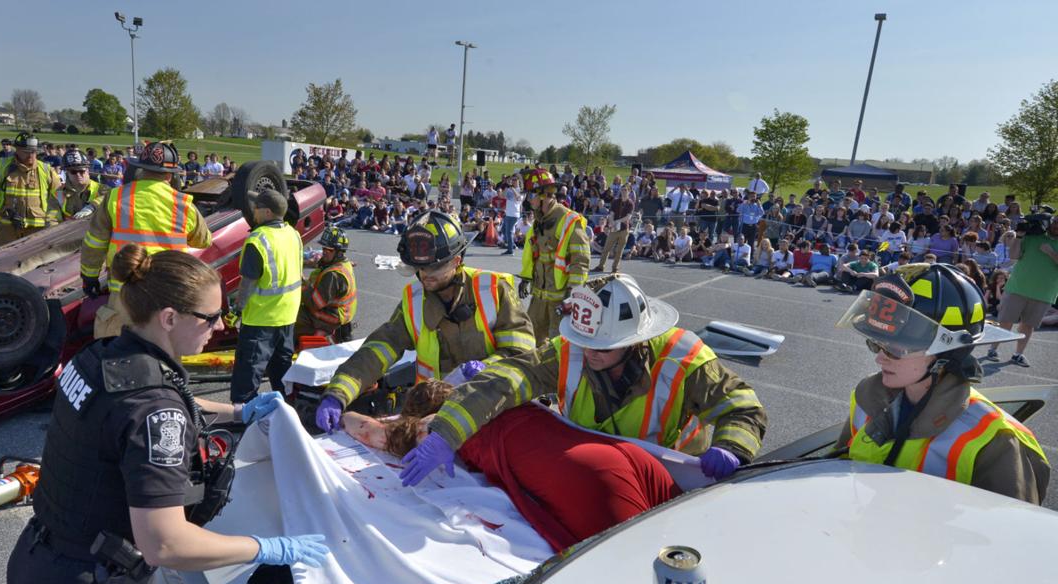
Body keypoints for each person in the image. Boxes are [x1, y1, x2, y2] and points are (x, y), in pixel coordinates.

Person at [7, 244, 329, 584]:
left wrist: (238, 412)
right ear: (170, 317)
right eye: (212, 316)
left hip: (44, 561)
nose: (222, 327)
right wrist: (266, 548)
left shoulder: (101, 357)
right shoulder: (154, 411)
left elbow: (144, 409)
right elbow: (164, 544)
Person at [398, 273, 768, 486]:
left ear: (635, 341)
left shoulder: (684, 358)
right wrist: (446, 433)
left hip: (669, 482)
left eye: (603, 346)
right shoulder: (569, 349)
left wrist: (732, 447)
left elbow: (742, 408)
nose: (589, 353)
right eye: (584, 342)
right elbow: (508, 379)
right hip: (589, 471)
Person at [344, 379, 682, 551]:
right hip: (626, 457)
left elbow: (367, 431)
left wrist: (345, 409)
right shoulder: (497, 393)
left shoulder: (442, 422)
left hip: (586, 478)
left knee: (640, 572)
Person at [833, 263, 1048, 502]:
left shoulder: (993, 440)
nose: (879, 357)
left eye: (895, 348)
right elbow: (836, 469)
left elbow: (1011, 531)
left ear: (948, 352)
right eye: (876, 342)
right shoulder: (866, 397)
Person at [314, 210, 534, 433]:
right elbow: (379, 349)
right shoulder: (414, 300)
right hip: (434, 415)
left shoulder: (493, 289)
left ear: (457, 260)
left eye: (434, 267)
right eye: (419, 268)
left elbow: (521, 352)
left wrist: (486, 368)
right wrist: (337, 393)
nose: (425, 274)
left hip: (491, 410)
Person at [80, 141, 212, 339]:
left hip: (124, 290)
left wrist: (89, 277)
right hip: (167, 295)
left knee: (118, 352)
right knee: (163, 354)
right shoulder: (183, 204)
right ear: (171, 174)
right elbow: (204, 240)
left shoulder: (115, 197)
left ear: (141, 169)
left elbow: (95, 242)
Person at [230, 189, 303, 403]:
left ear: (268, 212)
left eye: (257, 208)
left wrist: (237, 310)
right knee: (282, 372)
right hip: (287, 316)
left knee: (248, 372)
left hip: (261, 320)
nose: (253, 211)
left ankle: (241, 420)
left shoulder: (258, 240)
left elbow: (248, 283)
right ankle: (286, 413)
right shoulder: (293, 234)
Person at [518, 167, 591, 343]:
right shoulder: (539, 220)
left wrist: (573, 294)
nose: (528, 200)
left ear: (543, 195)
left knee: (559, 343)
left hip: (560, 297)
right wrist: (526, 278)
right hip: (539, 294)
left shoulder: (568, 220)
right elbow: (535, 254)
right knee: (531, 338)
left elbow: (580, 260)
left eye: (530, 195)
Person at [986, 216, 1058, 367]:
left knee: (1028, 325)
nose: (1057, 226)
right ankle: (993, 350)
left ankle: (1018, 354)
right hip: (1018, 287)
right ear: (1051, 222)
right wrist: (1019, 236)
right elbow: (1013, 256)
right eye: (1056, 222)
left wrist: (1051, 252)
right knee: (1005, 321)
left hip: (1043, 292)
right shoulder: (1033, 237)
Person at [0, 132, 62, 248]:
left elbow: (59, 195)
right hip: (7, 227)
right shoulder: (1, 165)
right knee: (3, 261)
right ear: (17, 149)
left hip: (37, 229)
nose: (31, 155)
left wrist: (54, 220)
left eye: (33, 152)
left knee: (35, 262)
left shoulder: (46, 169)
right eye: (26, 152)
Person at [295, 225, 357, 343]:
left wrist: (301, 284)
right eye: (323, 248)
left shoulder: (334, 275)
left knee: (293, 315)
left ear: (339, 252)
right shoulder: (344, 263)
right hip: (340, 314)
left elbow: (315, 303)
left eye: (329, 250)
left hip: (331, 317)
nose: (324, 252)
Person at [57, 150, 106, 221]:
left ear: (87, 170)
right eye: (73, 172)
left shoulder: (102, 189)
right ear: (67, 173)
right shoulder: (58, 193)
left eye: (81, 171)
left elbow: (110, 198)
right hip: (67, 231)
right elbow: (52, 218)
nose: (78, 175)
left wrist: (92, 206)